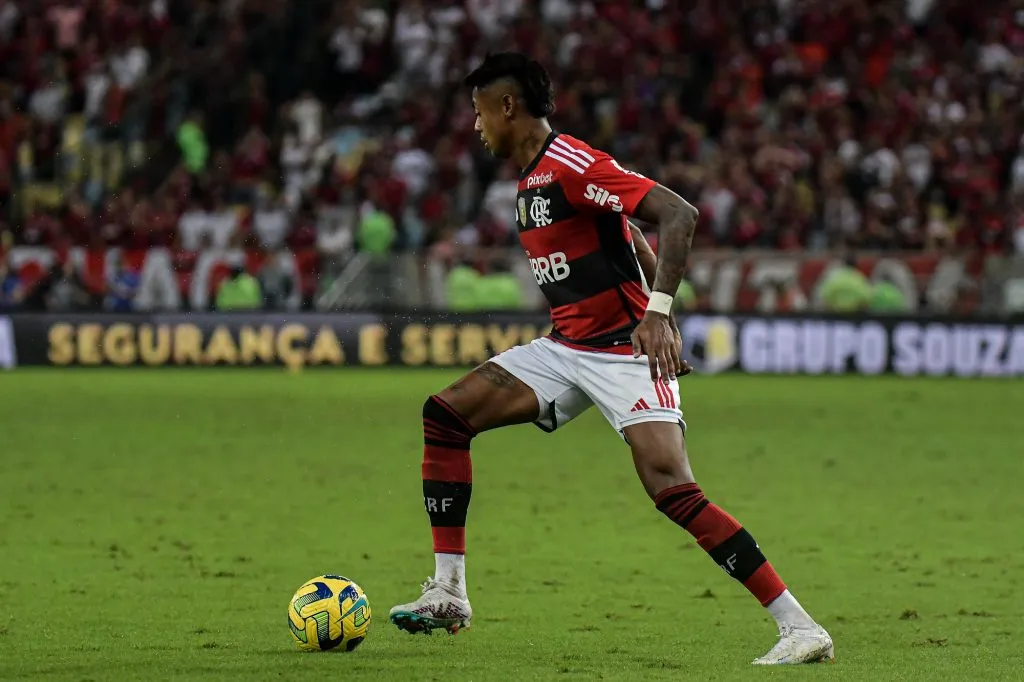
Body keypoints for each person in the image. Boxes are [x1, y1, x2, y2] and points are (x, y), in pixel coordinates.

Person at [388, 53, 833, 666]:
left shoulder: (572, 164)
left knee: (671, 488)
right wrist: (662, 310)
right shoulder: (529, 180)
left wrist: (658, 313)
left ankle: (800, 628)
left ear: (508, 106)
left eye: (479, 111)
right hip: (566, 348)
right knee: (444, 416)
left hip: (624, 352)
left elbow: (679, 214)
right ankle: (449, 592)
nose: (476, 126)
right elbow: (629, 233)